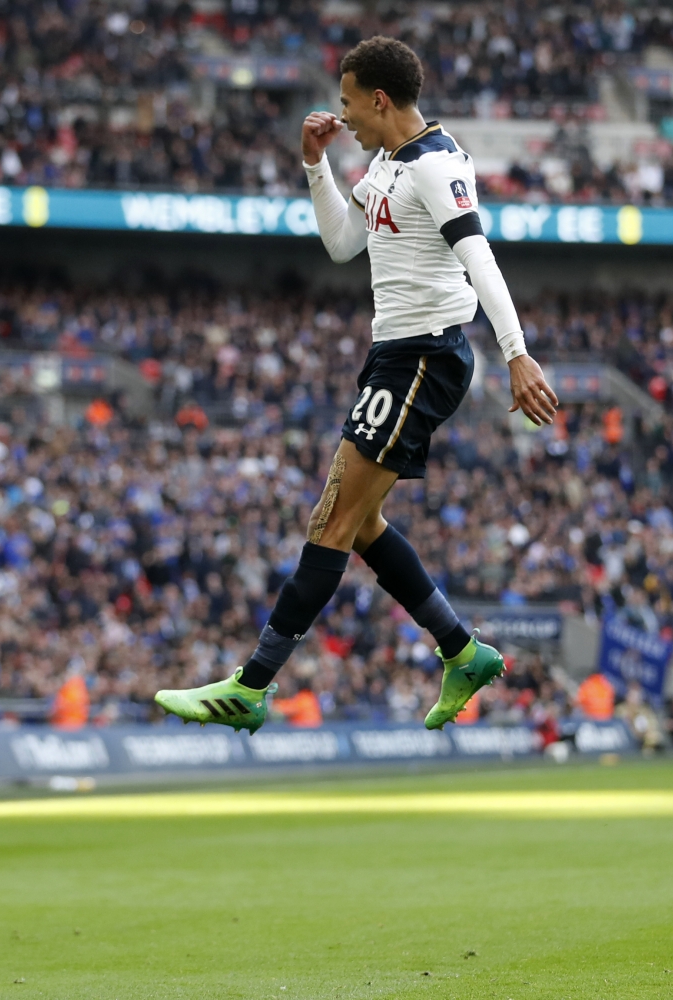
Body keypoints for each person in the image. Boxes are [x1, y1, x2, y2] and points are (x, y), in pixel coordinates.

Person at [153, 36, 559, 734]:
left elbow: (479, 255)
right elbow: (344, 243)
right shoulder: (384, 160)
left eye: (347, 102)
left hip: (425, 355)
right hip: (393, 356)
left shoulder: (435, 165)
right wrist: (315, 166)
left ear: (378, 98)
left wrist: (517, 353)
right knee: (362, 524)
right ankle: (462, 651)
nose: (342, 115)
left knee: (332, 520)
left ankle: (251, 685)